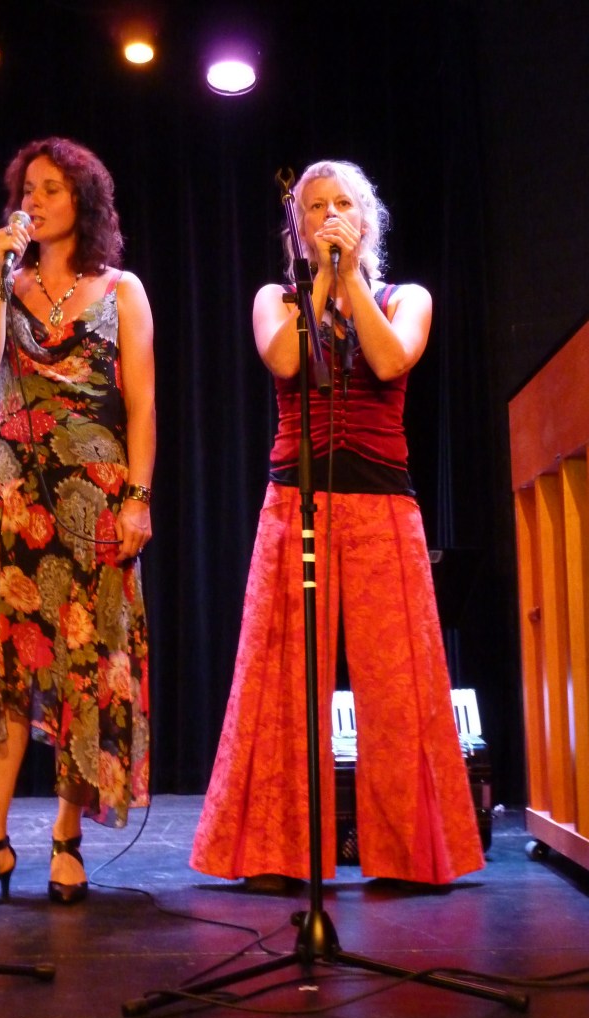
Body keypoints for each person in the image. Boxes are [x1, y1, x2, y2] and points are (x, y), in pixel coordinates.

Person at [190, 159, 484, 892]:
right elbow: (286, 359)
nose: (329, 215)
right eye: (314, 207)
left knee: (399, 678)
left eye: (342, 204)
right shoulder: (276, 300)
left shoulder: (405, 298)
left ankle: (411, 855)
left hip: (383, 500)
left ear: (367, 219)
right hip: (296, 500)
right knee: (283, 677)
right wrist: (321, 282)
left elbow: (389, 359)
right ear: (296, 228)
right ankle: (277, 852)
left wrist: (349, 277)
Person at [0, 137, 155, 909]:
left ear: (83, 201)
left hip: (92, 497)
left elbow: (141, 404)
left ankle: (67, 839)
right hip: (12, 499)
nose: (35, 200)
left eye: (52, 188)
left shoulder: (122, 290)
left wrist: (138, 497)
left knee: (82, 673)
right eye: (28, 188)